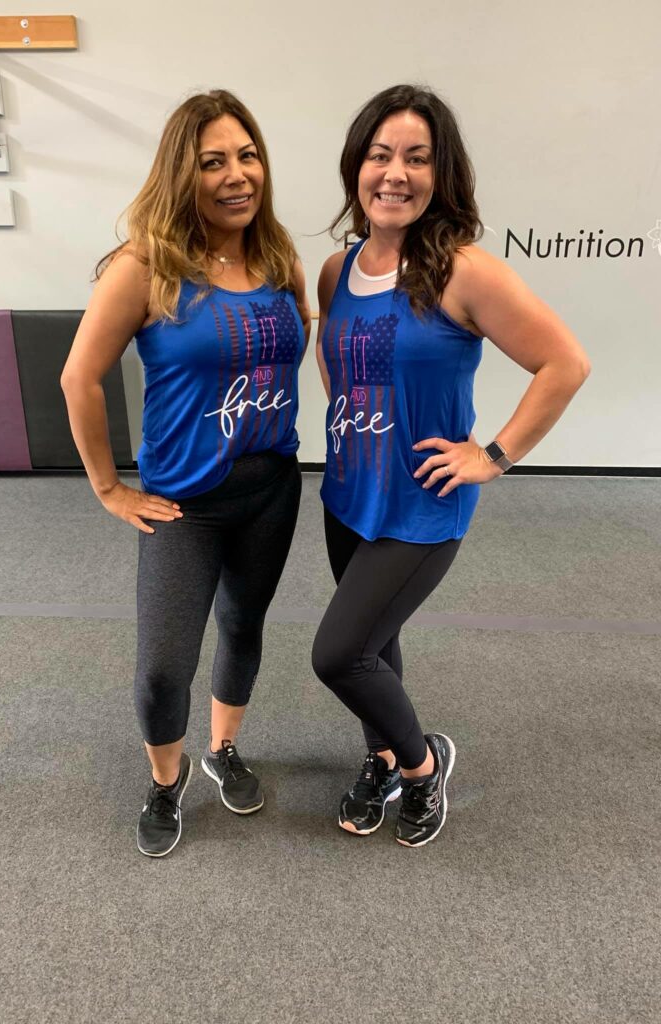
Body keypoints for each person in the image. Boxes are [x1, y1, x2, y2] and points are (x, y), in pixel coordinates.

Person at [312, 84, 590, 847]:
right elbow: (339, 360)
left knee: (338, 653)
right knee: (376, 642)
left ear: (442, 174)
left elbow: (565, 364)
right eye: (380, 155)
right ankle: (380, 758)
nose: (395, 173)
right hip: (349, 494)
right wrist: (358, 426)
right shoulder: (336, 271)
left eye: (417, 158)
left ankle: (423, 764)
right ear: (357, 166)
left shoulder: (464, 272)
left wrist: (492, 455)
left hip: (423, 504)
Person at [61, 90, 310, 858]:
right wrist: (109, 488)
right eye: (213, 162)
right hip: (183, 505)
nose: (237, 175)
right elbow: (79, 377)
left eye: (247, 155)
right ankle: (166, 783)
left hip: (272, 486)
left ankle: (223, 750)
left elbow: (306, 342)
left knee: (243, 625)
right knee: (164, 666)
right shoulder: (146, 266)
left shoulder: (278, 258)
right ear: (182, 173)